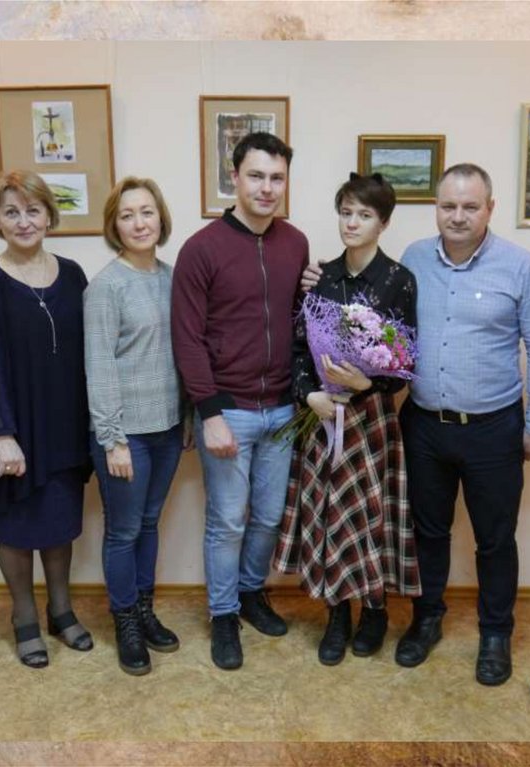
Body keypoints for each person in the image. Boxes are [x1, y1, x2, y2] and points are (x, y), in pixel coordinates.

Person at [303, 162, 530, 683]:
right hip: (422, 425)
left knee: (495, 539)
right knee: (427, 532)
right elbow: (372, 306)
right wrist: (318, 277)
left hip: (493, 428)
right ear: (436, 209)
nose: (458, 216)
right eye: (448, 206)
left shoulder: (522, 268)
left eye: (470, 206)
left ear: (490, 209)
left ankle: (495, 635)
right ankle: (426, 621)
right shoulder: (413, 262)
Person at [172, 132, 309, 670]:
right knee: (228, 520)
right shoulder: (201, 248)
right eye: (256, 176)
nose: (267, 188)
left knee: (269, 516)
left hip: (282, 409)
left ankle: (251, 592)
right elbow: (187, 338)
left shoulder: (295, 243)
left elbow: (300, 320)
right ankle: (223, 614)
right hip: (227, 408)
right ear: (234, 178)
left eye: (277, 178)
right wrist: (209, 413)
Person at [273, 173, 421, 666]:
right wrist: (309, 395)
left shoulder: (399, 280)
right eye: (346, 212)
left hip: (371, 419)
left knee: (370, 515)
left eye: (364, 215)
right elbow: (298, 347)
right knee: (331, 516)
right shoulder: (320, 276)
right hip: (324, 417)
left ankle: (374, 610)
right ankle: (336, 614)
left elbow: (404, 361)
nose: (352, 223)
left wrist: (368, 384)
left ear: (383, 223)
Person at [0, 170, 93, 669]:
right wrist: (2, 436)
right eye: (10, 212)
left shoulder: (74, 275)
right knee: (15, 527)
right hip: (12, 430)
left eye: (32, 210)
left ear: (49, 216)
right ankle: (24, 619)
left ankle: (61, 611)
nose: (23, 221)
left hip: (62, 424)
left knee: (59, 523)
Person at [84, 177, 192, 676]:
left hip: (167, 427)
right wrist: (112, 439)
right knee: (124, 530)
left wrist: (187, 415)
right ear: (115, 225)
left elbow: (185, 352)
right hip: (126, 434)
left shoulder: (174, 278)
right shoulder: (106, 286)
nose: (139, 223)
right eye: (127, 215)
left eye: (147, 212)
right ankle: (125, 618)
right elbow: (99, 365)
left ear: (160, 218)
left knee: (149, 523)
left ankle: (145, 609)